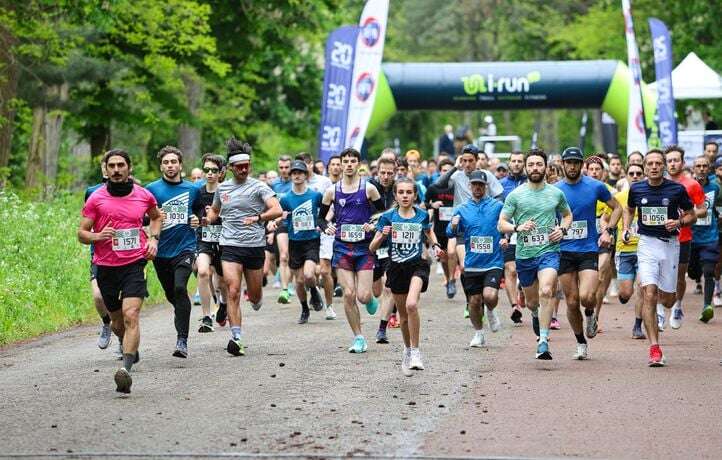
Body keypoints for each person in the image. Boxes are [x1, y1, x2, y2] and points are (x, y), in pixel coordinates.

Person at [79, 149, 162, 394]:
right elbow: (81, 233)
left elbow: (156, 218)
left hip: (135, 264)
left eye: (121, 165)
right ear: (106, 169)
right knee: (117, 322)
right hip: (106, 266)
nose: (116, 170)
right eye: (112, 166)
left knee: (131, 315)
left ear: (129, 168)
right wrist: (98, 235)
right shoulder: (96, 198)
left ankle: (125, 370)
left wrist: (154, 240)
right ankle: (126, 343)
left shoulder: (144, 195)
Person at [206, 139, 283, 356]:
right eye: (238, 166)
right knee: (232, 290)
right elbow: (214, 211)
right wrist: (207, 219)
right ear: (230, 168)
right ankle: (236, 337)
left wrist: (259, 217)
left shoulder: (259, 187)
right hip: (230, 244)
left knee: (256, 296)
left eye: (246, 166)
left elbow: (277, 209)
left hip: (254, 246)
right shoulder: (223, 189)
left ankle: (256, 298)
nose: (243, 169)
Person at [622, 149, 695, 366]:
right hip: (646, 245)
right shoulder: (636, 188)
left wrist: (679, 222)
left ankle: (667, 308)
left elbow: (691, 214)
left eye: (657, 163)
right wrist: (626, 227)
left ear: (663, 166)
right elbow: (629, 209)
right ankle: (654, 348)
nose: (654, 167)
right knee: (649, 293)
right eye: (650, 163)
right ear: (644, 167)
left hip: (670, 246)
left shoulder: (676, 189)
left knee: (668, 299)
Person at [498, 148, 572, 360]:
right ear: (525, 167)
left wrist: (562, 230)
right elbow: (501, 223)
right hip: (525, 254)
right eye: (531, 165)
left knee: (547, 290)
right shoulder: (516, 195)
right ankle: (534, 314)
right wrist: (517, 228)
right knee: (531, 301)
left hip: (549, 251)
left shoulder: (556, 193)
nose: (535, 168)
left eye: (539, 164)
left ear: (545, 167)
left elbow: (567, 216)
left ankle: (543, 340)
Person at [370, 178, 445, 375]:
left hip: (418, 265)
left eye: (408, 192)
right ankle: (407, 350)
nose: (405, 196)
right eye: (401, 192)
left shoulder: (421, 215)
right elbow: (372, 247)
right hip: (396, 267)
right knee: (403, 317)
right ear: (395, 195)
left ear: (414, 195)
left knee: (412, 304)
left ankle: (417, 351)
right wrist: (382, 235)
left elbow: (429, 232)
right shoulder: (387, 217)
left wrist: (436, 246)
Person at [555, 147, 620, 359]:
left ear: (581, 165)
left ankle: (591, 314)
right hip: (563, 251)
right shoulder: (554, 190)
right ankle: (581, 342)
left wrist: (608, 230)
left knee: (586, 296)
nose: (572, 166)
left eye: (576, 163)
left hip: (587, 249)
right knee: (572, 302)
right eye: (568, 162)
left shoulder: (595, 186)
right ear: (563, 164)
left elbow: (617, 208)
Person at [319, 147, 384, 353]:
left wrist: (373, 225)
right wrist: (326, 226)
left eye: (352, 161)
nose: (348, 165)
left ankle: (371, 299)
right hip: (342, 247)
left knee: (363, 296)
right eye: (344, 161)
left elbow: (383, 213)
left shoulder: (369, 189)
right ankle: (359, 337)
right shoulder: (332, 191)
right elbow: (320, 217)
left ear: (358, 164)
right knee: (348, 294)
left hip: (364, 248)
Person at [145, 146, 203, 358]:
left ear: (180, 165)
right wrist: (154, 216)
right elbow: (142, 217)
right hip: (161, 251)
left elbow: (199, 211)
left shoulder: (192, 189)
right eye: (166, 162)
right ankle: (181, 313)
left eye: (174, 162)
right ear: (161, 166)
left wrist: (198, 219)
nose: (170, 166)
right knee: (172, 295)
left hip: (185, 247)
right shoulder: (151, 189)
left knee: (180, 288)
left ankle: (182, 340)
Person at [448, 170, 504, 347]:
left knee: (489, 295)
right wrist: (454, 225)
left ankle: (491, 309)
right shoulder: (461, 209)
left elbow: (505, 225)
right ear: (469, 186)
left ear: (486, 186)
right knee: (474, 301)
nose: (477, 187)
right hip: (472, 263)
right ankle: (479, 333)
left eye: (481, 184)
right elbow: (450, 232)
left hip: (493, 261)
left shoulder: (497, 206)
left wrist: (505, 238)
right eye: (474, 184)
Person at [662, 145, 706, 330]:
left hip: (683, 237)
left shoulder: (692, 184)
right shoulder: (659, 182)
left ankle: (678, 306)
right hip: (661, 237)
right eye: (669, 161)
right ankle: (658, 310)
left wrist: (686, 216)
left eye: (676, 160)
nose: (672, 164)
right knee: (658, 275)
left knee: (679, 276)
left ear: (683, 162)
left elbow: (703, 209)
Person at [280, 160, 324, 324]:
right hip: (294, 242)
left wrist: (322, 224)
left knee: (308, 274)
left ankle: (313, 290)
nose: (297, 175)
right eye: (294, 173)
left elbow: (326, 211)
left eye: (300, 172)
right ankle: (305, 308)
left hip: (311, 240)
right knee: (298, 281)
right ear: (291, 176)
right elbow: (279, 215)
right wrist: (278, 220)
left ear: (306, 175)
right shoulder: (285, 199)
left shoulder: (315, 195)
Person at [296, 152, 336, 320]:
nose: (304, 167)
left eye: (307, 163)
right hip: (304, 234)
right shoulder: (295, 183)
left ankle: (329, 306)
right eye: (300, 165)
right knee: (304, 275)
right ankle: (312, 292)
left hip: (322, 230)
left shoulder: (324, 182)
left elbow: (331, 206)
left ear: (312, 164)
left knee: (325, 271)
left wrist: (323, 223)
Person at [584, 155, 620, 337]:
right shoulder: (580, 189)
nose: (594, 172)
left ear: (603, 172)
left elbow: (617, 210)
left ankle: (595, 317)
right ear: (586, 170)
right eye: (591, 169)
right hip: (584, 238)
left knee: (600, 274)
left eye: (598, 169)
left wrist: (609, 228)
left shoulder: (610, 191)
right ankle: (589, 311)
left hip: (604, 235)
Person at [195, 154, 227, 332]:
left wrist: (218, 214)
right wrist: (196, 219)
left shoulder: (226, 191)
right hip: (204, 239)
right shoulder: (197, 193)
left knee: (223, 283)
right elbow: (191, 214)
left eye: (214, 170)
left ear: (221, 172)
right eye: (206, 170)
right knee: (203, 272)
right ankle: (207, 317)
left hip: (224, 241)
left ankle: (222, 304)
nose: (209, 173)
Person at [614, 163, 646, 339]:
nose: (635, 176)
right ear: (625, 176)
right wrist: (606, 230)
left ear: (644, 175)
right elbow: (605, 218)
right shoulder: (619, 197)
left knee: (642, 287)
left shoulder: (652, 196)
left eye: (638, 173)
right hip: (624, 251)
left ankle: (637, 325)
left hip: (644, 250)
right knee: (626, 293)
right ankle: (623, 295)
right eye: (631, 173)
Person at [84, 159, 113, 351]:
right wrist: (96, 236)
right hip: (100, 252)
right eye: (107, 166)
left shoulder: (134, 190)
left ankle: (124, 342)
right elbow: (87, 221)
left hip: (127, 255)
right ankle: (106, 323)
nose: (111, 170)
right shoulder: (91, 192)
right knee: (98, 296)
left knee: (124, 305)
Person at [369, 156, 398, 344]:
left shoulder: (400, 189)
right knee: (375, 291)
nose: (386, 176)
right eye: (383, 173)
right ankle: (369, 300)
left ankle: (382, 328)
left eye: (390, 173)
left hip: (393, 244)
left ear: (395, 173)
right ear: (377, 172)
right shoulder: (369, 189)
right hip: (372, 242)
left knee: (389, 285)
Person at [689, 156, 719, 323]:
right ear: (693, 168)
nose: (701, 169)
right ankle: (695, 276)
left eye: (704, 166)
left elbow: (715, 207)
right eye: (698, 166)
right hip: (691, 237)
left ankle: (707, 305)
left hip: (710, 236)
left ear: (709, 168)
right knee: (693, 271)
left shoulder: (715, 187)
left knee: (709, 271)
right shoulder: (686, 187)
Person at [499, 151, 527, 324]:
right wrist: (502, 234)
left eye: (520, 161)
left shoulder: (531, 183)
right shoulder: (500, 185)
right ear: (508, 163)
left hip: (528, 232)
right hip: (508, 232)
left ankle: (523, 291)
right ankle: (514, 306)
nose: (516, 164)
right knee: (510, 269)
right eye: (513, 161)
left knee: (525, 271)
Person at [425, 159, 457, 299]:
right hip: (439, 228)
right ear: (440, 172)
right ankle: (448, 277)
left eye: (450, 170)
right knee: (443, 258)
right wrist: (433, 205)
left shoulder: (456, 186)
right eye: (444, 170)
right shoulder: (433, 188)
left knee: (451, 252)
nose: (447, 173)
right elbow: (423, 204)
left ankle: (452, 281)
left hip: (454, 226)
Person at [270, 156, 294, 304]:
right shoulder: (274, 185)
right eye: (281, 167)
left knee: (293, 257)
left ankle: (293, 282)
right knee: (284, 256)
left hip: (296, 224)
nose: (284, 170)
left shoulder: (296, 181)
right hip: (281, 224)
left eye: (287, 167)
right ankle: (285, 289)